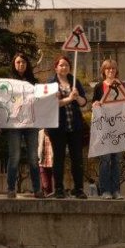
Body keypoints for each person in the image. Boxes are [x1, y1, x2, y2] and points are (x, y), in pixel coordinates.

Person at [47, 56, 88, 199]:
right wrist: (69, 99)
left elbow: (84, 102)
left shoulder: (75, 81)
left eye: (66, 65)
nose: (64, 68)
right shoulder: (51, 84)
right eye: (61, 65)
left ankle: (79, 188)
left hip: (75, 125)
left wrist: (76, 97)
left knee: (77, 158)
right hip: (58, 127)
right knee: (58, 157)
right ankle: (58, 188)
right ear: (56, 68)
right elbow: (53, 104)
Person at [91, 59, 125, 200]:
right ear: (103, 71)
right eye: (108, 69)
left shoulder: (122, 85)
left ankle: (116, 190)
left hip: (118, 126)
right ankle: (105, 190)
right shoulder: (99, 86)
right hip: (104, 127)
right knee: (105, 159)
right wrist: (96, 103)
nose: (111, 71)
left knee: (116, 159)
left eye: (113, 68)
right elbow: (94, 104)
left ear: (116, 70)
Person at [4, 53, 41, 199]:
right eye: (18, 62)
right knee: (15, 156)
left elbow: (42, 100)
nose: (21, 65)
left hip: (31, 123)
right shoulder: (7, 82)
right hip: (14, 124)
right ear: (14, 64)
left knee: (33, 157)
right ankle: (11, 189)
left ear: (27, 64)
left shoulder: (34, 82)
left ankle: (37, 189)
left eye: (24, 62)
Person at [37, 128, 55, 198]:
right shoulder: (40, 132)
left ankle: (49, 193)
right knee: (44, 180)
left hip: (51, 159)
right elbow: (38, 145)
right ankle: (45, 192)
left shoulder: (54, 132)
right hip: (42, 160)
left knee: (50, 178)